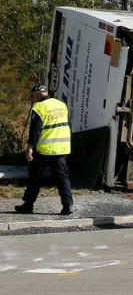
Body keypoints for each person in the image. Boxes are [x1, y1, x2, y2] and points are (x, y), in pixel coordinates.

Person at [15, 84, 74, 215]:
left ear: (37, 94)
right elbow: (68, 124)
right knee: (62, 177)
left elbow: (35, 130)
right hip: (61, 148)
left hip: (44, 149)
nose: (32, 99)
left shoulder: (39, 107)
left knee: (35, 178)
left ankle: (28, 205)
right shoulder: (61, 104)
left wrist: (30, 147)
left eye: (32, 96)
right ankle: (68, 205)